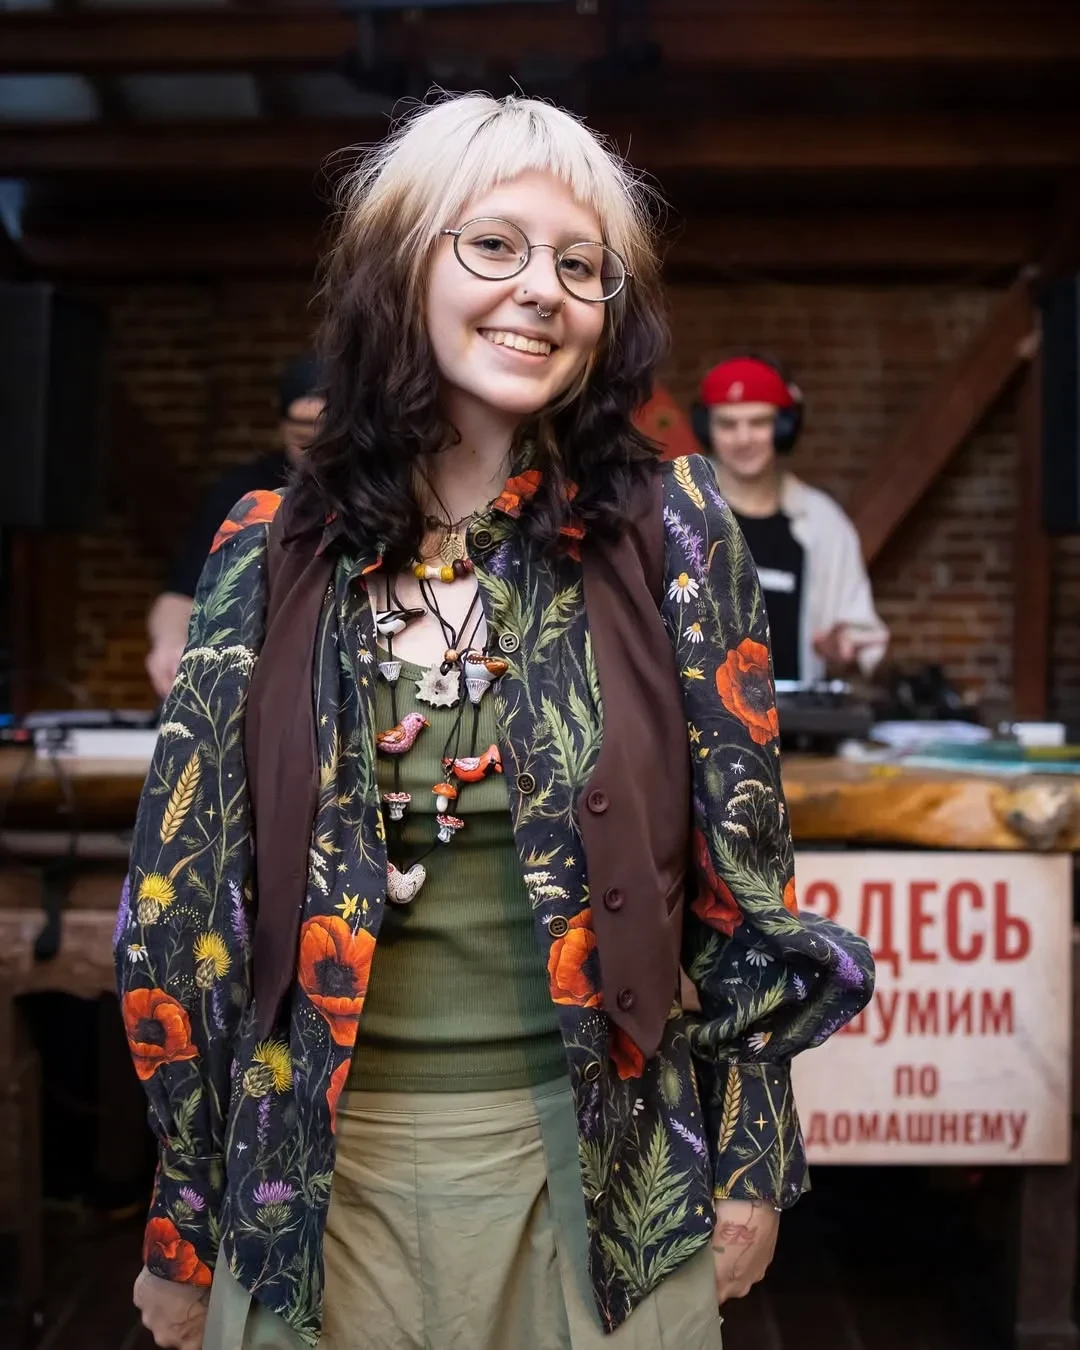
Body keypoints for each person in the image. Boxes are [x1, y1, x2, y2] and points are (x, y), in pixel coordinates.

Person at [116, 94, 874, 1350]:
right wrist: (184, 1218)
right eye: (495, 246)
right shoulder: (267, 549)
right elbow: (181, 909)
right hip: (309, 1182)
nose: (542, 291)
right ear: (399, 266)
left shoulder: (675, 529)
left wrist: (750, 1163)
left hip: (607, 1176)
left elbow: (746, 883)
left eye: (581, 265)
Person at [693, 355, 889, 684]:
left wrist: (844, 652)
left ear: (785, 428)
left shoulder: (826, 524)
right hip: (697, 715)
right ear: (706, 429)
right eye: (728, 424)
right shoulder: (679, 512)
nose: (743, 438)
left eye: (758, 423)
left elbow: (865, 644)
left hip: (798, 714)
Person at [143, 354, 324, 699]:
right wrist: (169, 644)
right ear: (281, 425)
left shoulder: (381, 492)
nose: (314, 443)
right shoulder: (244, 490)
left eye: (325, 428)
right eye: (302, 431)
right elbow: (182, 595)